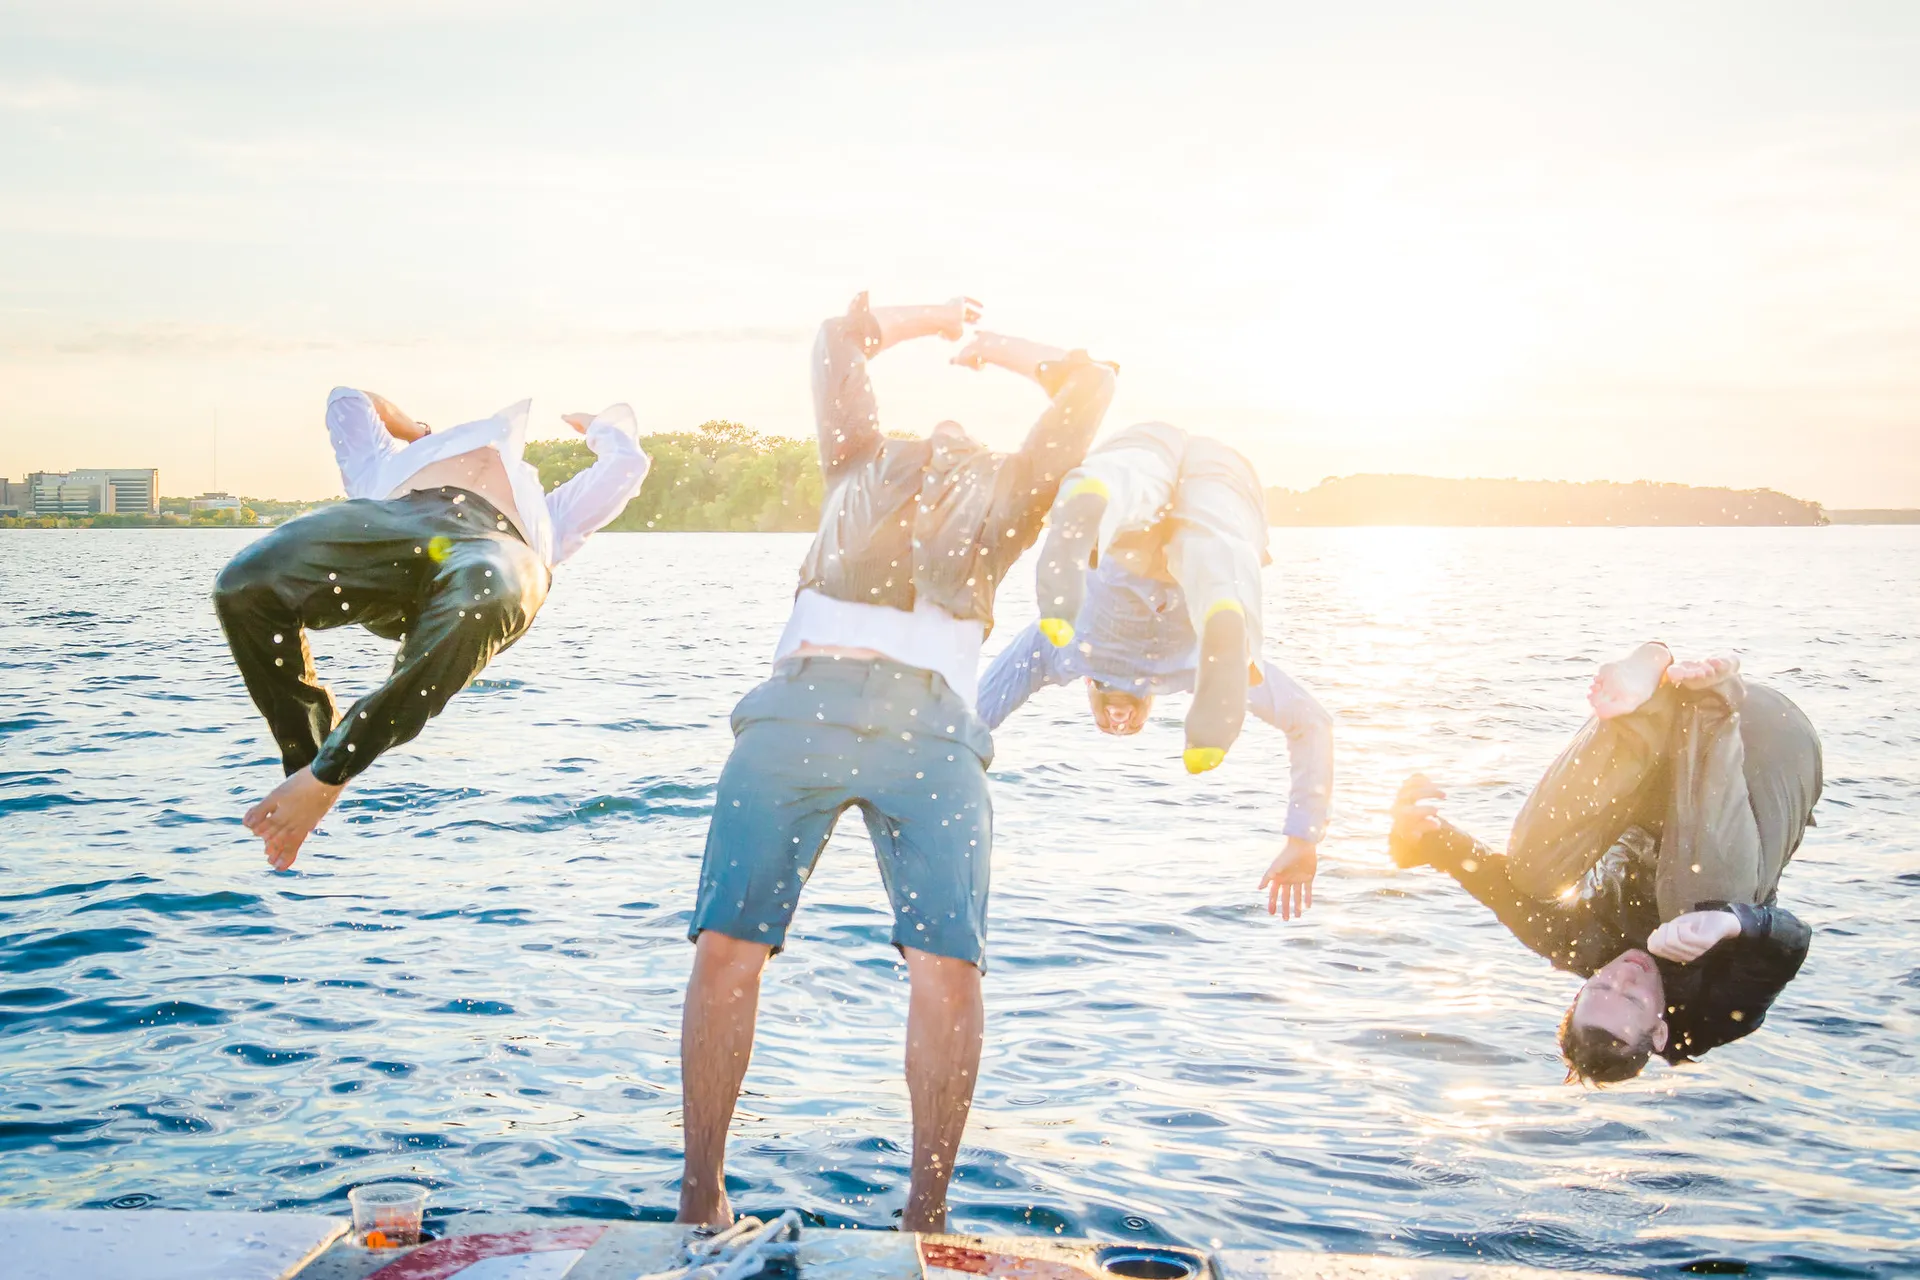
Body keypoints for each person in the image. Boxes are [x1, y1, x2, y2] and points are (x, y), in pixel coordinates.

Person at [677, 293, 1115, 1233]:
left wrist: (995, 347)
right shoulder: (857, 463)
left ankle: (928, 1210)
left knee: (949, 965)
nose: (945, 431)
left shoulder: (1013, 496)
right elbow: (837, 337)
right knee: (726, 946)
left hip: (930, 728)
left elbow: (1091, 384)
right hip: (800, 703)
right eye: (934, 426)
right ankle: (700, 1192)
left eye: (963, 432)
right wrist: (931, 316)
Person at [213, 388, 650, 869]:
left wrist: (601, 430)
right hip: (390, 523)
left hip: (496, 545)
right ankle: (310, 764)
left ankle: (328, 773)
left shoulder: (550, 514)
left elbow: (625, 465)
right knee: (246, 583)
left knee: (485, 592)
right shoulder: (384, 467)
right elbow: (349, 399)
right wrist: (416, 432)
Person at [1389, 642, 1821, 1084]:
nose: (1622, 976)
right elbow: (1791, 942)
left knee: (1529, 874)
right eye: (1632, 1000)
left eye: (1600, 987)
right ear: (1659, 1032)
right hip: (1770, 745)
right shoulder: (1716, 1012)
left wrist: (1420, 836)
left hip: (1665, 736)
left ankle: (1636, 709)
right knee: (1701, 911)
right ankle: (1711, 701)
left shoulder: (1578, 945)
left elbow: (1492, 883)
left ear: (1580, 992)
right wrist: (1732, 925)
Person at [976, 422, 1332, 919]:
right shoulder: (1071, 652)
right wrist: (1303, 837)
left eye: (1111, 724)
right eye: (1129, 725)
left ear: (1087, 692)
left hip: (1130, 595)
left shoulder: (1067, 651)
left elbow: (971, 720)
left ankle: (1116, 506)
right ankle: (1209, 590)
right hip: (1147, 592)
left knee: (1176, 504)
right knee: (1209, 534)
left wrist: (1304, 836)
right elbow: (1311, 722)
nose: (1119, 721)